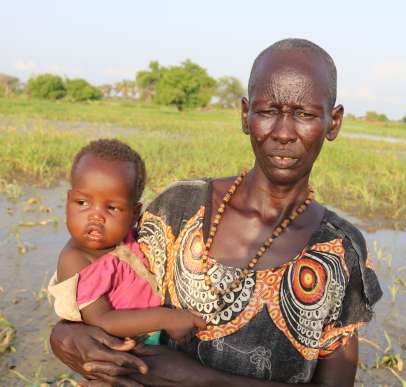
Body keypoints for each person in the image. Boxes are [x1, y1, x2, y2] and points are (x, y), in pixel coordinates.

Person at [50, 39, 382, 387]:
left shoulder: (340, 252)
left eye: (305, 115)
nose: (284, 133)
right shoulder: (177, 208)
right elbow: (102, 285)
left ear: (334, 123)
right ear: (245, 115)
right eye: (268, 111)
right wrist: (64, 335)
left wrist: (199, 380)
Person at [49, 139, 206, 346]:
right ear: (69, 201)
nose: (96, 216)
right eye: (82, 203)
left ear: (134, 214)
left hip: (153, 335)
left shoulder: (128, 238)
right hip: (122, 350)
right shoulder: (76, 259)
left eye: (112, 208)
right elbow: (100, 320)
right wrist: (168, 318)